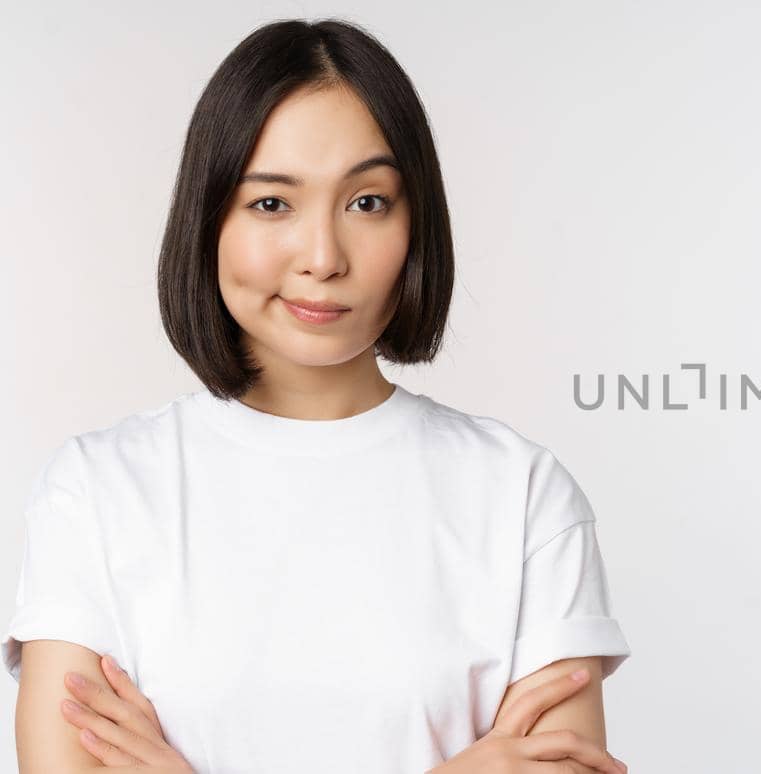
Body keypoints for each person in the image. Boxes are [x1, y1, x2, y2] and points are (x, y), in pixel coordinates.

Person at [4, 18, 631, 774]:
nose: (325, 258)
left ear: (415, 221)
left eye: (367, 203)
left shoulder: (524, 496)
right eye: (272, 204)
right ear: (209, 221)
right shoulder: (95, 494)